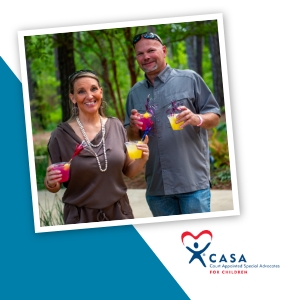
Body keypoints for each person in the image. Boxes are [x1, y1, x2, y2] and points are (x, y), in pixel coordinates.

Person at [124, 32, 221, 217]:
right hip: (157, 188)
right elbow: (131, 137)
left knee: (199, 241)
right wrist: (134, 127)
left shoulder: (190, 79)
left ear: (164, 50)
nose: (146, 57)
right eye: (140, 53)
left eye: (151, 50)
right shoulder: (135, 93)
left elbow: (214, 115)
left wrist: (196, 118)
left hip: (192, 184)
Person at [44, 70, 149, 224]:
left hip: (120, 213)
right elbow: (53, 186)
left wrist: (142, 158)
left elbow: (128, 171)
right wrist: (50, 181)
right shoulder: (60, 136)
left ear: (101, 91)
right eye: (81, 91)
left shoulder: (116, 126)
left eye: (93, 89)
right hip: (80, 218)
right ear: (72, 98)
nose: (89, 96)